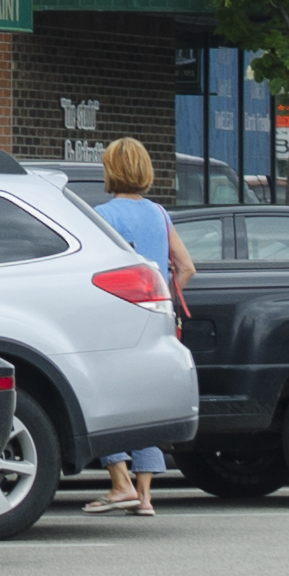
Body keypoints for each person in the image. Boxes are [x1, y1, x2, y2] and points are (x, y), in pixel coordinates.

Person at [86, 138, 196, 514]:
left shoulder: (103, 215)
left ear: (111, 170)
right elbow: (187, 267)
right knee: (143, 402)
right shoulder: (160, 214)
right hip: (155, 320)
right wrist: (163, 295)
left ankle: (120, 483)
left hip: (116, 319)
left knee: (105, 398)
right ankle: (146, 496)